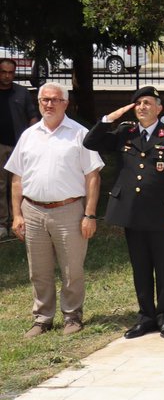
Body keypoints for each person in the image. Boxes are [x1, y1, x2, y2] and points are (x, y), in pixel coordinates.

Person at [84, 87, 164, 339]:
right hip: (132, 213)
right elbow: (90, 141)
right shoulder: (125, 132)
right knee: (140, 268)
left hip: (162, 214)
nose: (142, 107)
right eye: (138, 103)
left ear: (159, 108)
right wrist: (111, 118)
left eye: (147, 103)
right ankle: (146, 317)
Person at [6, 83, 104, 337]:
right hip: (33, 211)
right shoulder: (29, 135)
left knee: (72, 269)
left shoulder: (80, 134)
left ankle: (72, 316)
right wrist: (17, 214)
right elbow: (17, 178)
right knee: (38, 269)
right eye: (43, 100)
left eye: (54, 100)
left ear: (65, 103)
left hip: (68, 211)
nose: (48, 104)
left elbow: (92, 177)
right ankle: (42, 318)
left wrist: (89, 214)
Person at [0, 57, 39, 239]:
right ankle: (2, 223)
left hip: (19, 145)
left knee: (20, 184)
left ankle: (20, 220)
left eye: (10, 73)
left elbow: (32, 116)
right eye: (3, 72)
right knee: (1, 185)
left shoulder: (21, 93)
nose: (7, 76)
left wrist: (33, 138)